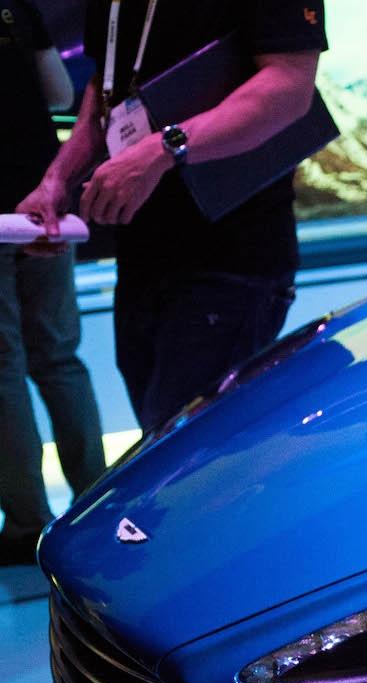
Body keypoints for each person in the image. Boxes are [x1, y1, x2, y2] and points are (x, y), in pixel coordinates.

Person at [17, 1, 329, 433]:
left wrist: (164, 149)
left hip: (230, 256)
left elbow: (290, 84)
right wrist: (59, 179)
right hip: (142, 252)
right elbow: (107, 84)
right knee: (161, 434)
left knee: (195, 451)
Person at [0, 0, 105, 567]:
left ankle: (27, 524)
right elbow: (62, 95)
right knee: (59, 357)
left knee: (2, 367)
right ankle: (97, 505)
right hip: (43, 200)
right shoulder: (17, 7)